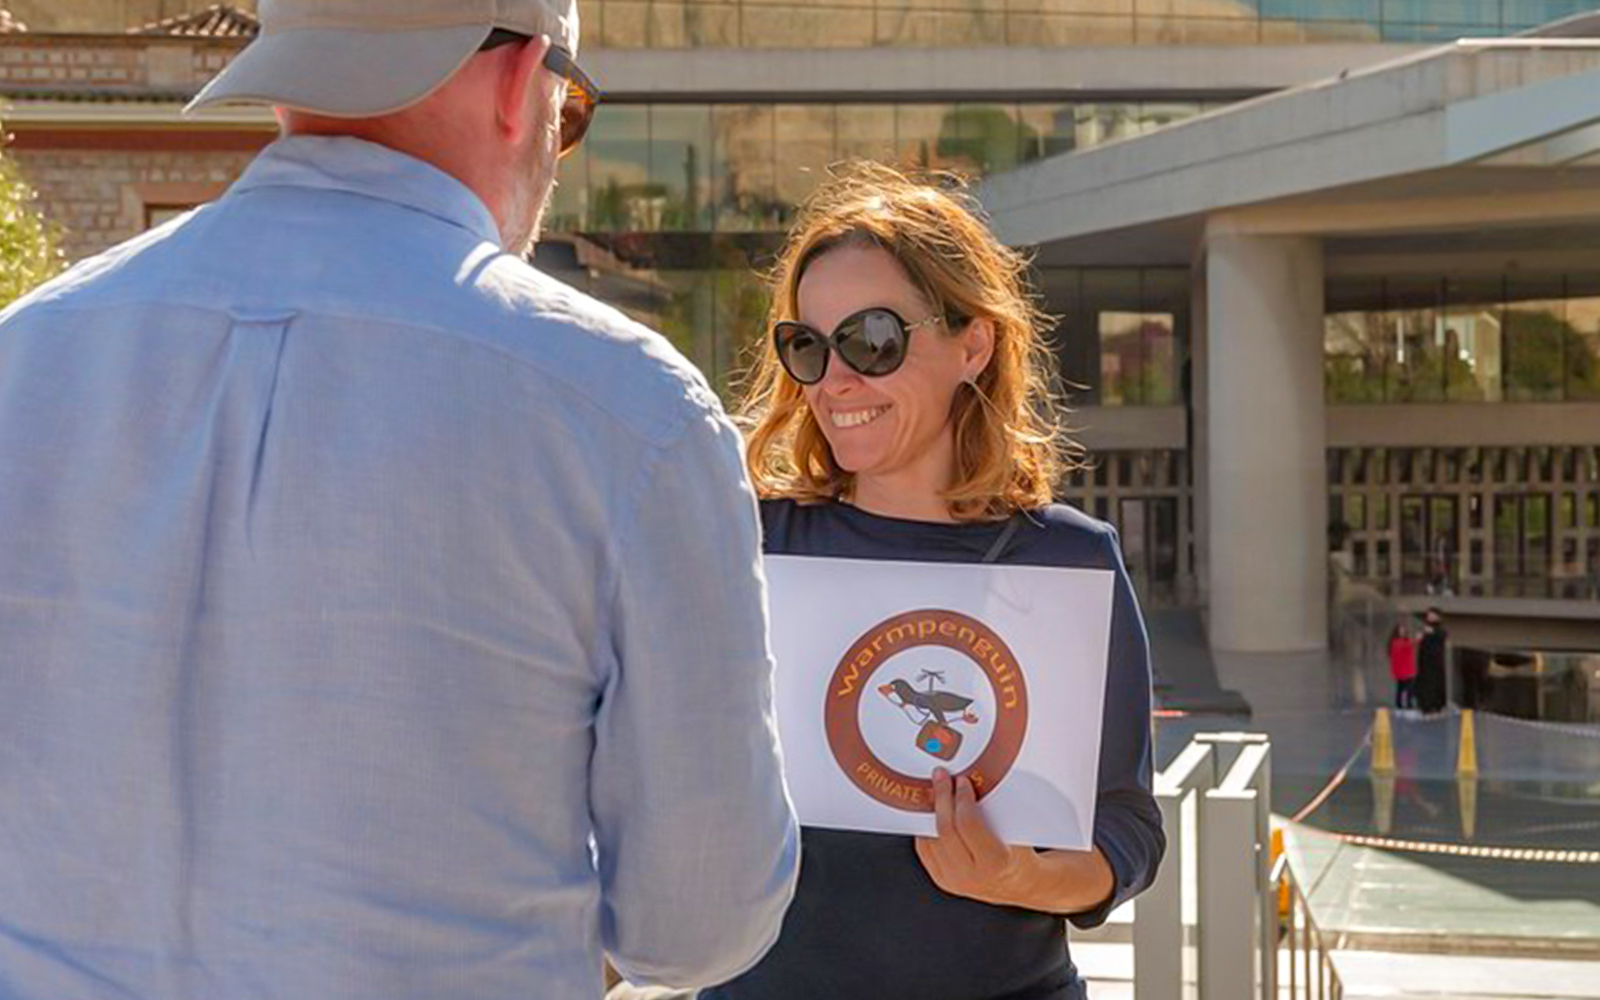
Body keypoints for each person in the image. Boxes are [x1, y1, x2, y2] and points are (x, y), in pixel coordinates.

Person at [0, 3, 798, 999]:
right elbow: (696, 924)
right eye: (570, 113)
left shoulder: (23, 355)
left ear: (289, 78)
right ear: (522, 83)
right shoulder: (630, 410)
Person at [625, 164, 1163, 1000]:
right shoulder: (747, 542)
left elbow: (1125, 829)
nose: (835, 381)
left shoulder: (1066, 562)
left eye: (871, 340)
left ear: (973, 345)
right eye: (807, 346)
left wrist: (1018, 877)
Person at [1416, 607, 1451, 715]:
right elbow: (1419, 642)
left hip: (1436, 661)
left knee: (1435, 683)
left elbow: (1443, 637)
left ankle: (1436, 705)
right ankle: (1424, 705)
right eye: (1429, 615)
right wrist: (1420, 637)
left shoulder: (1441, 630)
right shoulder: (1424, 628)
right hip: (1424, 661)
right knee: (1424, 683)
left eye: (1432, 615)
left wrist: (1433, 632)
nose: (1430, 617)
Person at [1388, 622, 1418, 713]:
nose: (1402, 632)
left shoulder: (1404, 640)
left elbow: (1408, 647)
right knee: (1407, 687)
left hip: (1407, 668)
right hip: (1403, 669)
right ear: (1397, 631)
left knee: (1402, 687)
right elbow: (1408, 646)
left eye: (1404, 630)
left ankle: (1401, 704)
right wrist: (1417, 639)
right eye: (1400, 630)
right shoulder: (1396, 642)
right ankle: (1406, 704)